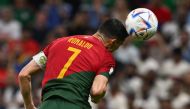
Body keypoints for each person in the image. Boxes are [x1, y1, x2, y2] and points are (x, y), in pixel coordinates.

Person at [18, 18, 129, 109]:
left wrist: (29, 106)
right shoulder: (106, 56)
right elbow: (97, 91)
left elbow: (23, 74)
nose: (114, 50)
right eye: (117, 47)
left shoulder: (58, 43)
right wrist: (98, 97)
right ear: (112, 42)